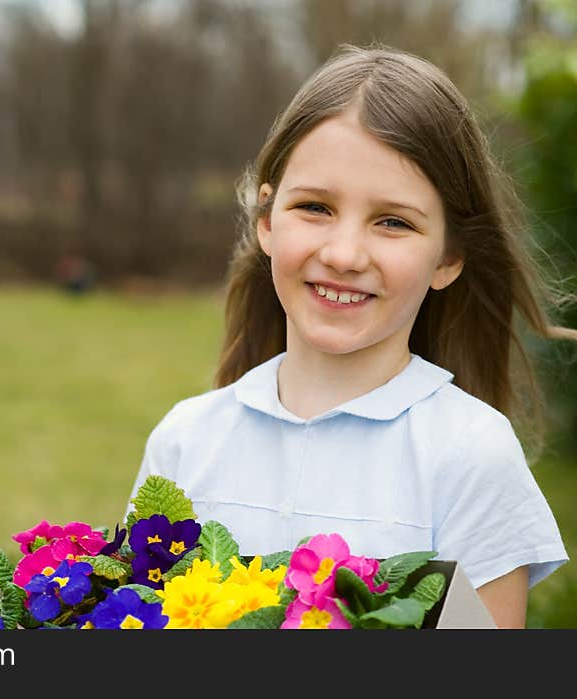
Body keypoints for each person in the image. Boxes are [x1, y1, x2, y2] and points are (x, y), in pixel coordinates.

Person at [126, 44, 577, 629]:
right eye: (315, 207)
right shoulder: (185, 442)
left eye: (393, 222)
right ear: (267, 221)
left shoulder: (470, 455)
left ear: (449, 256)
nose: (342, 254)